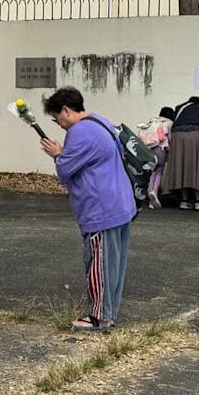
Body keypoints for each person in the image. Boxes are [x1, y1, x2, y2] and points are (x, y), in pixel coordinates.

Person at [39, 88, 138, 331]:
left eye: (57, 118)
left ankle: (99, 317)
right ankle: (109, 314)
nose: (58, 124)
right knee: (114, 266)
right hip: (120, 202)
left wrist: (57, 154)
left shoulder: (79, 132)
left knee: (99, 264)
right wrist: (63, 154)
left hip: (100, 208)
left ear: (66, 110)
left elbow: (65, 170)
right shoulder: (100, 121)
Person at [161, 97, 199, 211]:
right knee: (197, 167)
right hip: (198, 135)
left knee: (181, 167)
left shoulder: (180, 108)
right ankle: (198, 201)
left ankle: (184, 200)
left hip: (178, 136)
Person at [136, 108, 175, 210]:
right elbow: (170, 138)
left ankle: (150, 195)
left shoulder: (152, 121)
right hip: (160, 148)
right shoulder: (170, 123)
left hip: (148, 148)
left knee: (151, 171)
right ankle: (154, 192)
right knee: (159, 171)